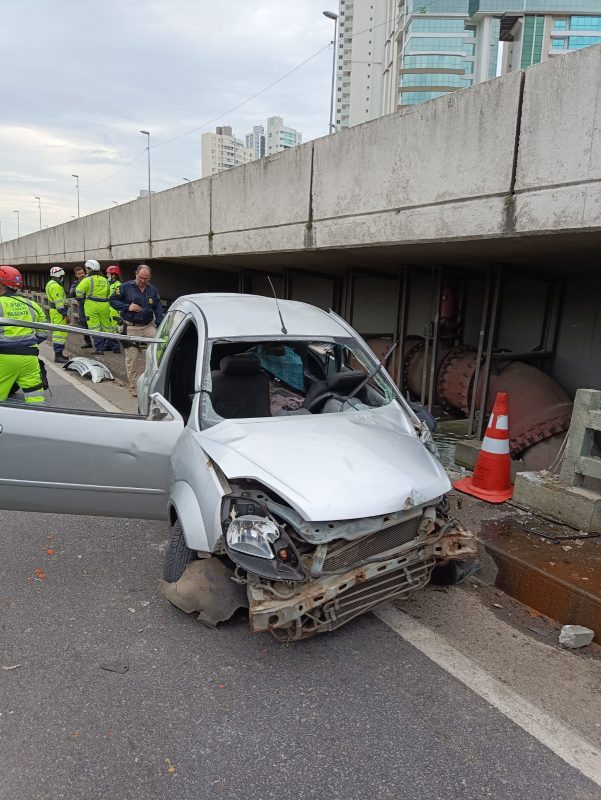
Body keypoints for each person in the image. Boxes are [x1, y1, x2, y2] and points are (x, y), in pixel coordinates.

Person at [109, 264, 163, 396]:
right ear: (136, 274)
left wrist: (160, 323)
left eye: (146, 278)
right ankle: (134, 386)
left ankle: (155, 379)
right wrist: (127, 307)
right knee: (132, 357)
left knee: (160, 348)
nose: (143, 281)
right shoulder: (125, 287)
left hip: (147, 326)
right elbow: (112, 301)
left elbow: (158, 308)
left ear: (149, 277)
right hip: (131, 326)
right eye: (141, 278)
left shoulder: (152, 290)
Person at [0, 265, 48, 405]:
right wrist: (26, 343)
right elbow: (43, 332)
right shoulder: (32, 305)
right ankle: (38, 422)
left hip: (3, 358)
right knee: (36, 397)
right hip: (30, 358)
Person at [75, 259, 112, 356]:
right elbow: (109, 293)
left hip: (91, 305)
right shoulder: (104, 279)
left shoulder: (88, 279)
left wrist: (82, 298)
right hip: (104, 305)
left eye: (86, 268)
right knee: (106, 326)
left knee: (94, 327)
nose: (86, 270)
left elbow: (78, 291)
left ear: (89, 268)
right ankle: (108, 345)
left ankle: (99, 349)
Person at [45, 266, 70, 363]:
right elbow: (59, 304)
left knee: (58, 332)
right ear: (59, 275)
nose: (63, 278)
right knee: (60, 333)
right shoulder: (55, 286)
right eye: (62, 276)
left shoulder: (50, 284)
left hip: (54, 311)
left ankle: (59, 354)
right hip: (59, 312)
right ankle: (58, 355)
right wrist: (65, 314)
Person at [70, 265, 93, 349]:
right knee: (84, 323)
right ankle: (88, 342)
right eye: (79, 274)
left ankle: (101, 343)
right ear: (76, 275)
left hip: (91, 305)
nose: (82, 275)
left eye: (83, 273)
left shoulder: (89, 280)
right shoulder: (75, 284)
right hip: (82, 306)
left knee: (95, 323)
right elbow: (72, 293)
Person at [104, 265, 122, 354]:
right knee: (108, 328)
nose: (107, 275)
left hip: (114, 310)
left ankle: (116, 347)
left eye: (108, 273)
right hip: (109, 308)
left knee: (112, 329)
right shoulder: (110, 284)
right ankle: (108, 345)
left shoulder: (117, 285)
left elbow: (118, 297)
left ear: (114, 275)